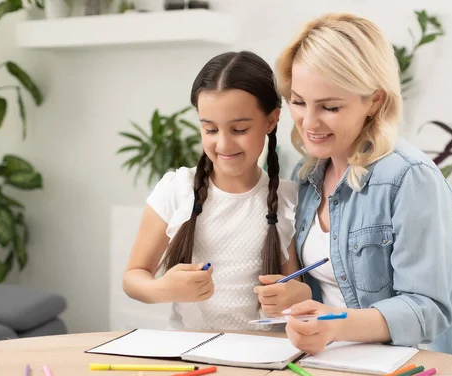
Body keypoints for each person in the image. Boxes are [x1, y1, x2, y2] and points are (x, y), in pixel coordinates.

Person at [274, 13, 452, 359]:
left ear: (374, 101)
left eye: (330, 107)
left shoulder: (409, 178)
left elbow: (427, 309)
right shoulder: (307, 174)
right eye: (298, 102)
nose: (309, 122)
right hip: (336, 364)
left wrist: (337, 324)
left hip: (415, 371)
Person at [122, 51, 311, 332]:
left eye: (239, 129)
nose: (223, 144)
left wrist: (298, 295)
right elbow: (133, 277)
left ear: (271, 121)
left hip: (265, 356)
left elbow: (294, 286)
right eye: (210, 129)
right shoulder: (176, 190)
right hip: (189, 354)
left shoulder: (289, 199)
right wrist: (164, 288)